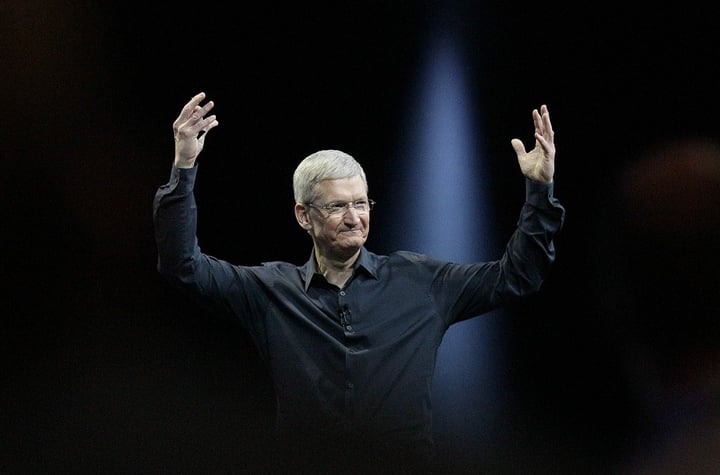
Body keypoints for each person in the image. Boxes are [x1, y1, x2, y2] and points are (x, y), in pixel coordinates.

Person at [153, 92, 565, 473]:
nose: (355, 218)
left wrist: (540, 190)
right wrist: (184, 167)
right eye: (337, 206)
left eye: (360, 203)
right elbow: (183, 266)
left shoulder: (421, 281)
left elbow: (517, 276)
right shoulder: (270, 291)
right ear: (303, 216)